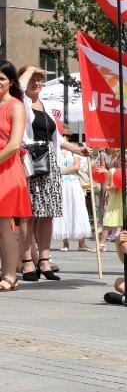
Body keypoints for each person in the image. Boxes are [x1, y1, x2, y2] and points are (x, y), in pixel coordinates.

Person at [18, 65, 91, 282]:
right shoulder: (21, 103)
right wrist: (29, 68)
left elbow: (57, 138)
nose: (37, 83)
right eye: (34, 78)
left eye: (41, 79)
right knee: (28, 214)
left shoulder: (46, 106)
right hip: (31, 160)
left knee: (47, 212)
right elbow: (19, 87)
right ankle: (27, 261)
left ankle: (45, 259)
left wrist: (78, 149)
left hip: (50, 162)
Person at [0, 60, 31, 292]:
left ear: (10, 81)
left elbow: (13, 145)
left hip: (7, 168)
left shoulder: (16, 106)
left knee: (4, 223)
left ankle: (10, 274)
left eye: (1, 79)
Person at [52, 125, 92, 251]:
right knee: (63, 210)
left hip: (73, 182)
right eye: (63, 135)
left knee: (78, 209)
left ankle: (82, 243)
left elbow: (76, 166)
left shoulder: (73, 149)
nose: (65, 137)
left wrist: (61, 172)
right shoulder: (55, 149)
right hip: (61, 184)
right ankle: (65, 243)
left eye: (66, 135)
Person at [98, 149, 127, 252]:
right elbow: (105, 185)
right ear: (117, 160)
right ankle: (102, 244)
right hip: (114, 198)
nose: (123, 163)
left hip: (125, 198)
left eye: (126, 161)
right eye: (121, 160)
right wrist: (111, 188)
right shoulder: (112, 171)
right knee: (107, 220)